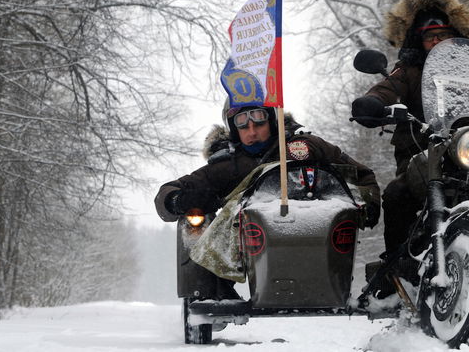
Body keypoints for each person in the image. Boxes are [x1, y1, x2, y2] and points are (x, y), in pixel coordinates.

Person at [351, 0, 469, 308]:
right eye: (429, 36)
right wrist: (373, 104)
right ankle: (398, 273)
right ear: (418, 41)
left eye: (443, 34)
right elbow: (386, 89)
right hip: (423, 156)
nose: (437, 41)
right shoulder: (408, 71)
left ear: (456, 35)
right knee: (396, 196)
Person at [155, 103, 381, 296]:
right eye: (243, 125)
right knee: (194, 222)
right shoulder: (226, 166)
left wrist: (369, 203)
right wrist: (177, 200)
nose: (252, 131)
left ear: (273, 121)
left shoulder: (307, 146)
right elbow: (168, 191)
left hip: (319, 233)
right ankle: (209, 292)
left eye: (259, 123)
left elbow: (361, 174)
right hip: (254, 241)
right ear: (234, 130)